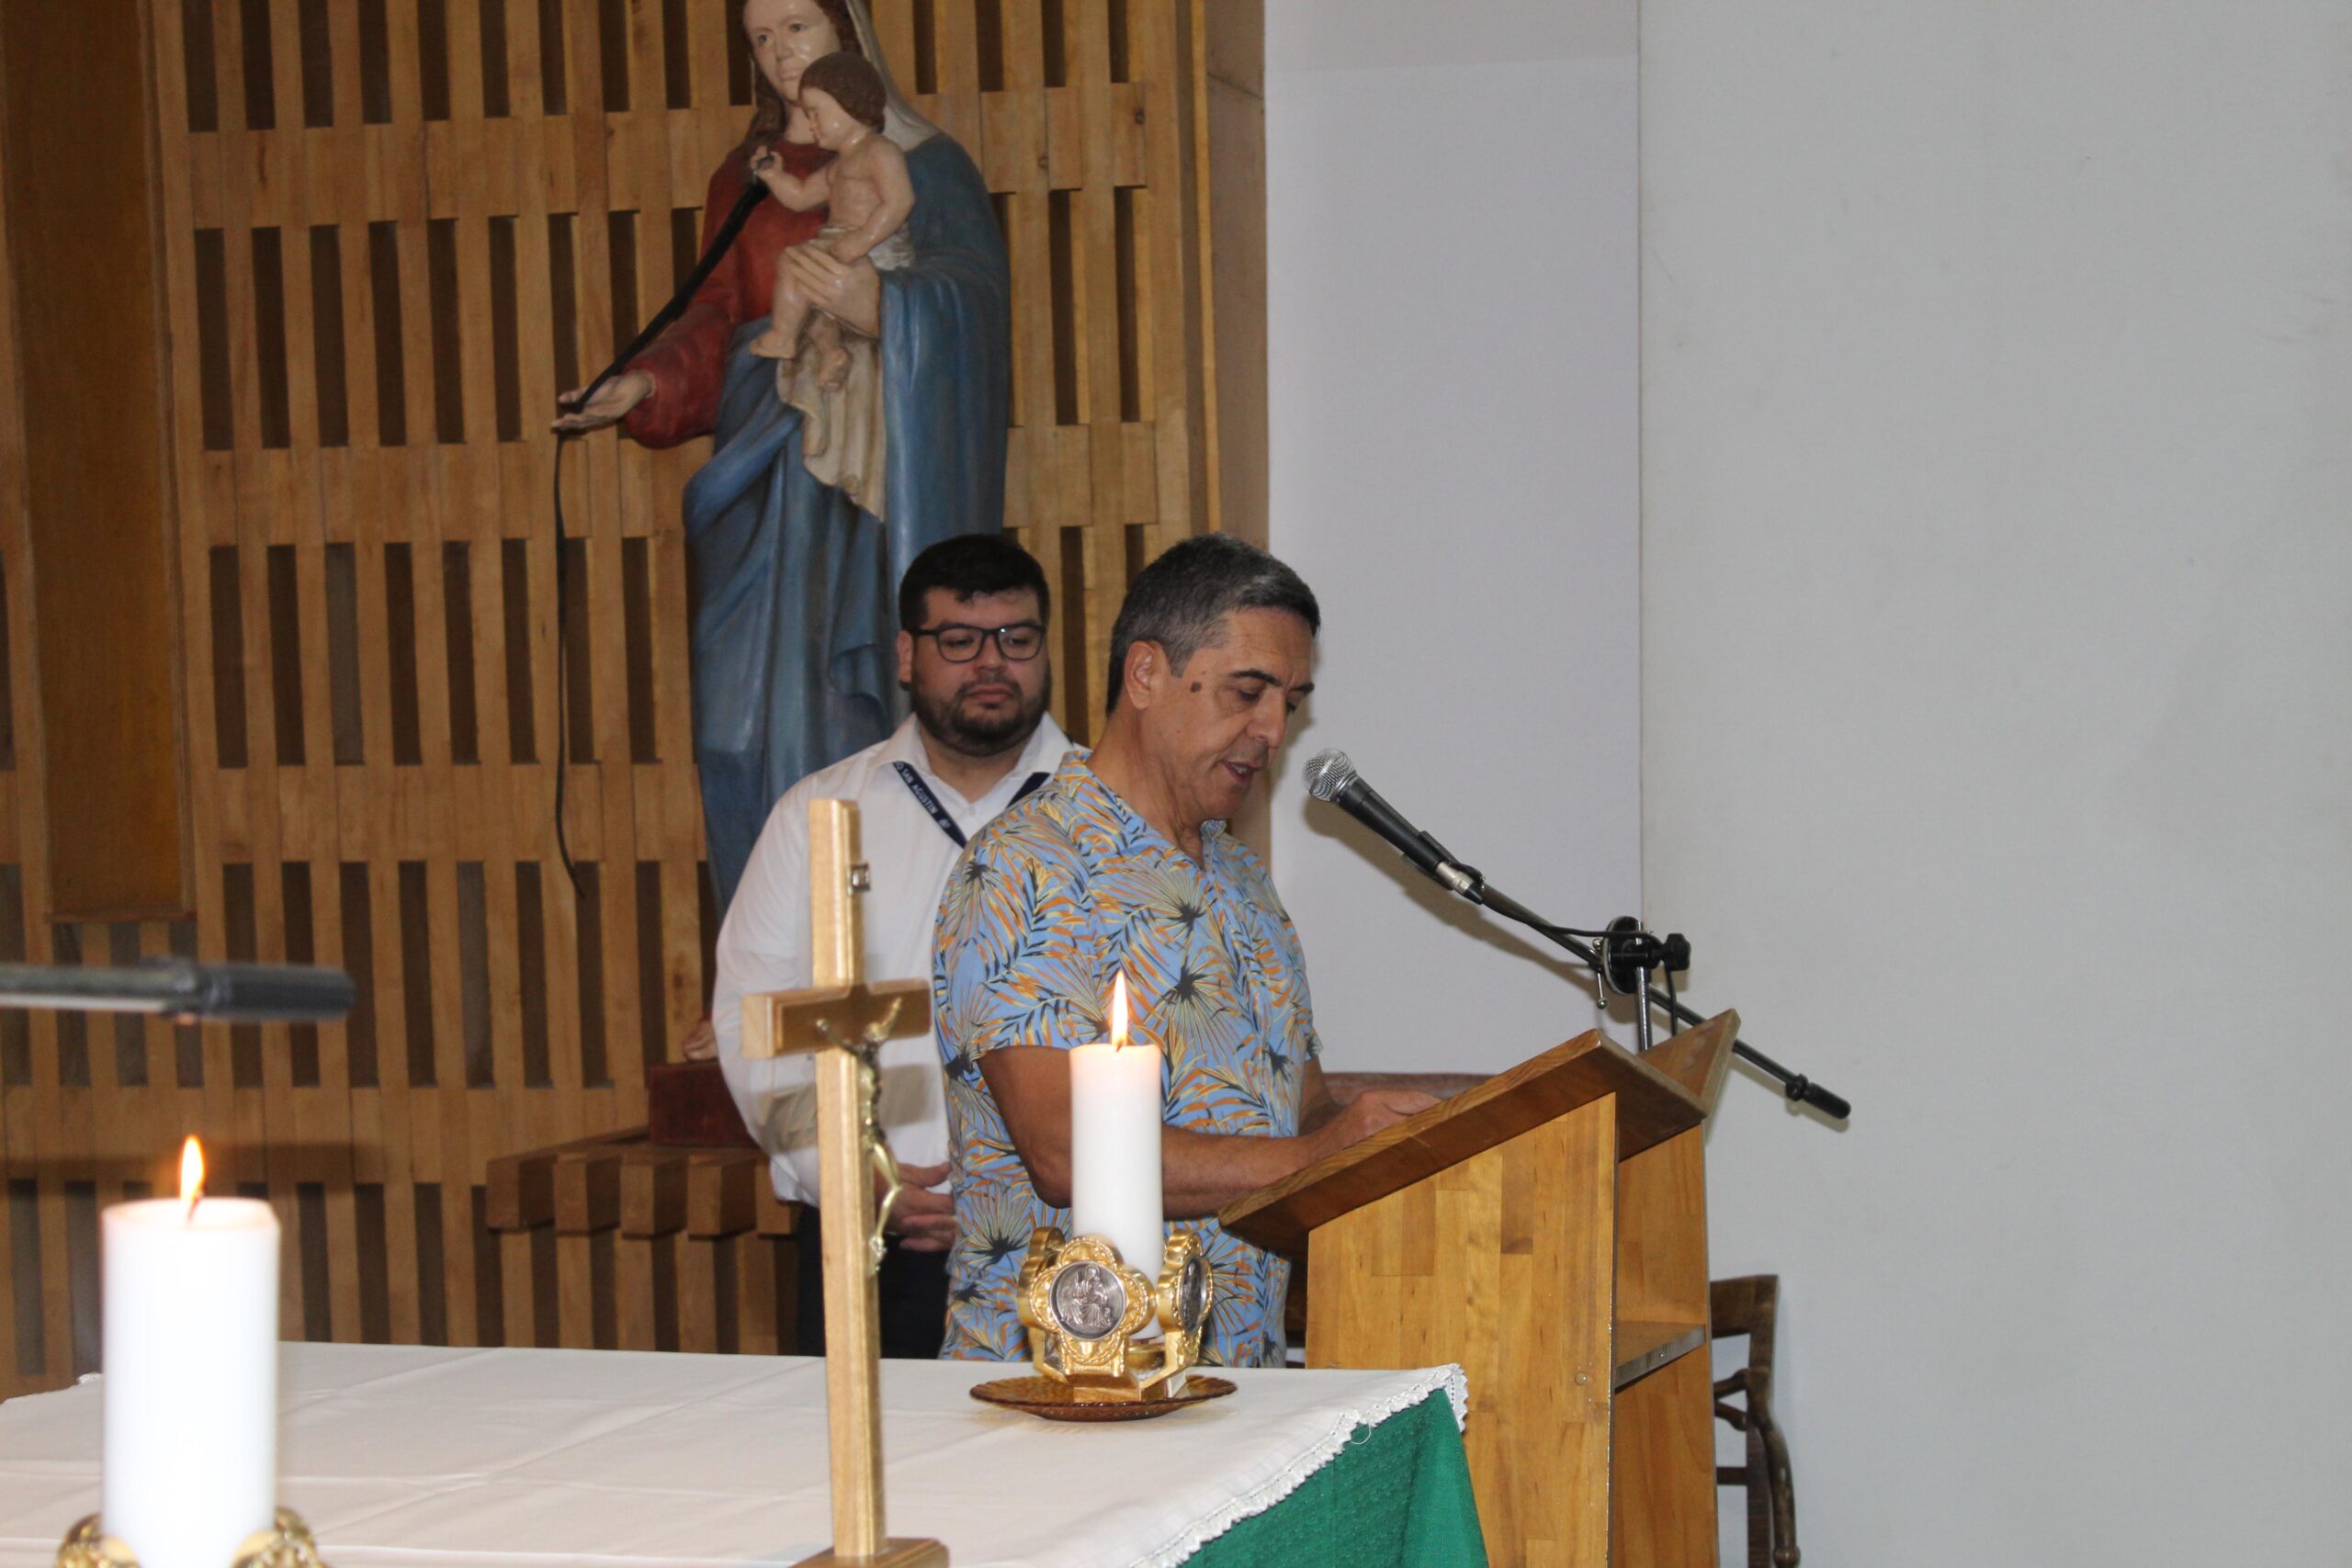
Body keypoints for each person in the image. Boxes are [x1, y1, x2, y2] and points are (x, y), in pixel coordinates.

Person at [552, 0, 1010, 918]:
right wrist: (646, 382)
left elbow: (973, 305)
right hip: (761, 467)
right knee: (735, 727)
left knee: (847, 708)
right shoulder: (747, 178)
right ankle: (769, 951)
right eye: (760, 38)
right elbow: (718, 317)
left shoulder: (924, 163)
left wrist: (882, 307)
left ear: (847, 32)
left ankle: (873, 945)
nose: (779, 53)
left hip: (862, 476)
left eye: (797, 26)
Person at [931, 535, 1435, 1367]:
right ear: (1145, 675)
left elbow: (1299, 1106)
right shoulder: (1028, 865)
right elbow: (1062, 1152)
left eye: (1291, 702)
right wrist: (1312, 1155)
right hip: (1063, 1386)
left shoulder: (1243, 879)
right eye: (1248, 691)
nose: (1273, 731)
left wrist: (1378, 1135)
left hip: (1237, 1381)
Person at [714, 535, 1069, 1359]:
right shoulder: (819, 814)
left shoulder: (1107, 814)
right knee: (863, 1446)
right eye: (960, 640)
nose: (992, 662)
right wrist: (846, 1170)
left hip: (1065, 1240)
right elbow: (754, 1020)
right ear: (908, 655)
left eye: (1017, 638)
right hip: (874, 1240)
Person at [748, 52, 914, 392]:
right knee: (805, 296)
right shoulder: (838, 165)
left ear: (849, 105)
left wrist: (862, 240)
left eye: (816, 113)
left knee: (793, 265)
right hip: (839, 243)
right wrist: (774, 176)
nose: (812, 124)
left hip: (874, 250)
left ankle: (783, 337)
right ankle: (831, 352)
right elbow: (801, 196)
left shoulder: (879, 152)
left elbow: (900, 201)